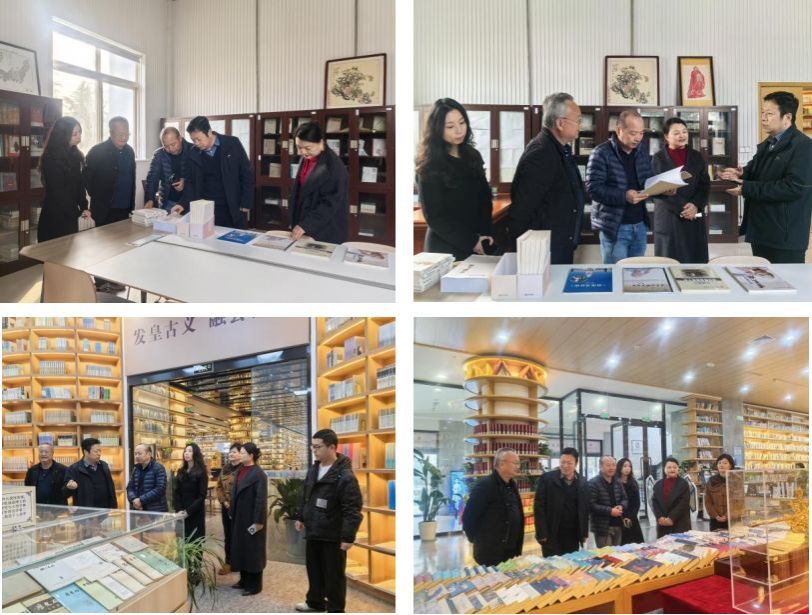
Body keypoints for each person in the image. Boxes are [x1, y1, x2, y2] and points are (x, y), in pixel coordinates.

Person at [719, 91, 812, 263]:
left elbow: (794, 187)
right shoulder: (768, 143)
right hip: (762, 230)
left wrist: (746, 188)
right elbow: (758, 171)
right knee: (762, 276)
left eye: (769, 114)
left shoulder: (803, 146)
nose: (763, 118)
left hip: (785, 236)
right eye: (763, 112)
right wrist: (741, 173)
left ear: (787, 117)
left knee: (785, 278)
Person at [509, 92, 586, 264]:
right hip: (544, 249)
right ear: (560, 123)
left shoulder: (560, 148)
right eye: (578, 120)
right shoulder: (542, 153)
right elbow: (523, 209)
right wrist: (525, 253)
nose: (580, 126)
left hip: (559, 241)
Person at [415, 98, 494, 260]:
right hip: (445, 246)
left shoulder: (472, 155)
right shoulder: (429, 164)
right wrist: (472, 241)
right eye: (450, 126)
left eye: (462, 123)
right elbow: (435, 217)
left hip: (478, 241)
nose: (459, 131)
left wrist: (485, 234)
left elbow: (484, 199)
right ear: (437, 129)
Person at [294, 429, 363, 613]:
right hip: (313, 530)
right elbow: (306, 495)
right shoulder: (314, 469)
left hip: (333, 534)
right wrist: (301, 516)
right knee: (314, 570)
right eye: (313, 447)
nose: (314, 451)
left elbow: (352, 508)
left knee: (334, 576)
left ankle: (335, 609)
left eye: (318, 447)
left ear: (332, 447)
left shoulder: (345, 475)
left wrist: (348, 537)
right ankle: (315, 602)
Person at [587, 109, 655, 263]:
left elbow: (648, 181)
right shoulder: (601, 152)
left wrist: (664, 189)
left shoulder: (641, 152)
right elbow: (593, 188)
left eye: (641, 133)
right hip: (615, 228)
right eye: (633, 133)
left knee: (636, 273)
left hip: (640, 225)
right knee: (615, 273)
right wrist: (624, 196)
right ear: (619, 130)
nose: (638, 138)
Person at [84, 116, 135, 292]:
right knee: (102, 249)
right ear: (111, 133)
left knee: (120, 247)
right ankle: (100, 283)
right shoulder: (97, 152)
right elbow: (87, 179)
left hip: (124, 209)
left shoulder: (129, 151)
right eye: (120, 134)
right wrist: (99, 196)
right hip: (104, 209)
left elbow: (131, 178)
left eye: (127, 133)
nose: (124, 137)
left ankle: (116, 279)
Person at [650, 117, 710, 263]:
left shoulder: (697, 156)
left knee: (695, 261)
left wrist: (695, 205)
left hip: (694, 214)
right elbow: (656, 190)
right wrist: (684, 209)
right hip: (669, 216)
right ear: (666, 136)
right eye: (676, 133)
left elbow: (704, 185)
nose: (682, 135)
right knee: (670, 261)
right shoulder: (658, 158)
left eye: (684, 132)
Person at [184, 115, 254, 228]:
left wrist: (246, 202)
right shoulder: (193, 153)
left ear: (209, 132)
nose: (196, 143)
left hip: (232, 204)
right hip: (206, 207)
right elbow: (190, 182)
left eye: (199, 139)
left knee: (234, 236)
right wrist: (183, 203)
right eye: (193, 140)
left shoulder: (232, 143)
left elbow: (247, 174)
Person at [288, 122, 349, 244]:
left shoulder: (333, 166)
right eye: (299, 147)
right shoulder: (308, 157)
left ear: (321, 142)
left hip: (324, 228)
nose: (302, 152)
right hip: (305, 222)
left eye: (307, 148)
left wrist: (306, 225)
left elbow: (329, 203)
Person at [461, 448, 524, 566]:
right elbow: (469, 517)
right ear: (502, 464)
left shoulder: (512, 485)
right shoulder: (485, 486)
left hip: (510, 550)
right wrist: (477, 540)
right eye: (515, 463)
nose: (518, 466)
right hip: (491, 552)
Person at [37, 116, 91, 242]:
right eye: (75, 134)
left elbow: (79, 185)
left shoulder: (75, 154)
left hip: (70, 215)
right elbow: (58, 192)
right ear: (63, 135)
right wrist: (77, 212)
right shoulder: (50, 158)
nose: (79, 137)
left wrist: (84, 207)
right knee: (53, 251)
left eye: (80, 132)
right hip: (54, 216)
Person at [533, 447, 589, 557]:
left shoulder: (582, 481)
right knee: (552, 563)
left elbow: (584, 509)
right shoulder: (547, 479)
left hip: (573, 533)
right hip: (552, 532)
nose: (565, 465)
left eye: (569, 463)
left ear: (576, 464)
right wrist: (541, 533)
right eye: (563, 462)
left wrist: (584, 532)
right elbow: (538, 507)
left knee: (571, 561)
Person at [230, 443, 268, 596]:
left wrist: (258, 521)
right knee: (241, 549)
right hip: (239, 517)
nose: (240, 455)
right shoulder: (240, 470)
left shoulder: (259, 474)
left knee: (253, 551)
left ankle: (255, 585)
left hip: (252, 518)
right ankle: (244, 580)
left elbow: (261, 500)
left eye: (243, 453)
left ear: (251, 455)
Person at [144, 126, 191, 213]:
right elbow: (152, 178)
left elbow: (198, 177)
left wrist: (185, 181)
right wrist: (150, 199)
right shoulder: (159, 154)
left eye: (173, 144)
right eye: (166, 146)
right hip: (168, 202)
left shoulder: (192, 150)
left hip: (190, 203)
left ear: (180, 139)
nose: (171, 149)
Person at [64, 437, 117, 508]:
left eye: (100, 451)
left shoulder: (104, 465)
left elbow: (111, 487)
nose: (99, 454)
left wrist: (114, 506)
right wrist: (69, 487)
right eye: (96, 451)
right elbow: (65, 493)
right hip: (85, 511)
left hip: (104, 510)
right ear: (86, 452)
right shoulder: (74, 469)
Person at [587, 455, 628, 547]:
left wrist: (621, 506)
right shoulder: (593, 483)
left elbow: (624, 498)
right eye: (608, 465)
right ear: (601, 466)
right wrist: (610, 511)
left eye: (613, 465)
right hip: (602, 527)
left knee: (617, 553)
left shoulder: (618, 481)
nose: (612, 468)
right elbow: (591, 505)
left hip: (618, 524)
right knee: (606, 554)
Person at [215, 442, 242, 575]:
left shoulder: (244, 469)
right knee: (228, 535)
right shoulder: (225, 468)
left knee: (239, 535)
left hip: (240, 508)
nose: (231, 454)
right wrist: (224, 501)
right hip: (226, 508)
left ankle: (240, 562)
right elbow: (219, 486)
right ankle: (229, 562)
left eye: (234, 452)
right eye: (230, 452)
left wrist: (234, 503)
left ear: (241, 454)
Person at [173, 443, 208, 540]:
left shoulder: (201, 472)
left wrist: (188, 512)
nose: (186, 453)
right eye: (185, 451)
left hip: (195, 512)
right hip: (181, 512)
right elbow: (176, 492)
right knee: (181, 540)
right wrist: (179, 509)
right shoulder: (181, 471)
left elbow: (202, 496)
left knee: (194, 541)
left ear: (195, 454)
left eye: (190, 451)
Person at [651, 457, 692, 538]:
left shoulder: (683, 484)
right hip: (663, 524)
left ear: (678, 469)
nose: (672, 469)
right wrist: (659, 517)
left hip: (679, 523)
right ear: (664, 469)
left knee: (680, 544)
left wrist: (671, 518)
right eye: (669, 467)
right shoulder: (658, 485)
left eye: (675, 467)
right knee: (663, 544)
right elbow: (655, 502)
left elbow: (683, 503)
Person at [126, 444, 168, 512]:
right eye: (135, 454)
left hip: (156, 510)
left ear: (149, 454)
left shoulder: (158, 468)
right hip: (139, 510)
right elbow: (130, 487)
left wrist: (141, 500)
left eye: (139, 453)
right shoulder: (136, 469)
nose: (137, 456)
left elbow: (160, 489)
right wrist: (133, 500)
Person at [617, 457, 644, 544]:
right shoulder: (615, 483)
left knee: (637, 544)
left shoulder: (633, 482)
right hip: (620, 517)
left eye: (629, 466)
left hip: (632, 517)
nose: (627, 468)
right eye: (625, 466)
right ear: (619, 467)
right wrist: (624, 516)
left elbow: (637, 503)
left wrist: (631, 517)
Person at [704, 453, 734, 531]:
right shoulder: (711, 481)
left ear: (731, 465)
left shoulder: (736, 480)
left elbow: (738, 501)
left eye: (725, 463)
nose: (721, 465)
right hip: (715, 520)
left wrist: (727, 515)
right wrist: (716, 515)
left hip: (732, 519)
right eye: (719, 463)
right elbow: (707, 501)